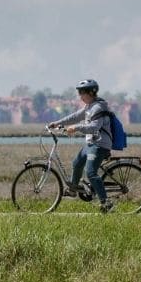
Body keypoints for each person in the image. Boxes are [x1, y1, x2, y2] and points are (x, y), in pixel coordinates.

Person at [48, 79, 115, 214]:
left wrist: (77, 128)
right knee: (77, 163)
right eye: (79, 92)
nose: (80, 95)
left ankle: (106, 203)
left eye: (81, 92)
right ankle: (73, 190)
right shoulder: (89, 107)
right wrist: (57, 123)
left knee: (90, 173)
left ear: (91, 92)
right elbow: (75, 116)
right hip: (92, 143)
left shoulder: (98, 107)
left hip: (100, 145)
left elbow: (94, 127)